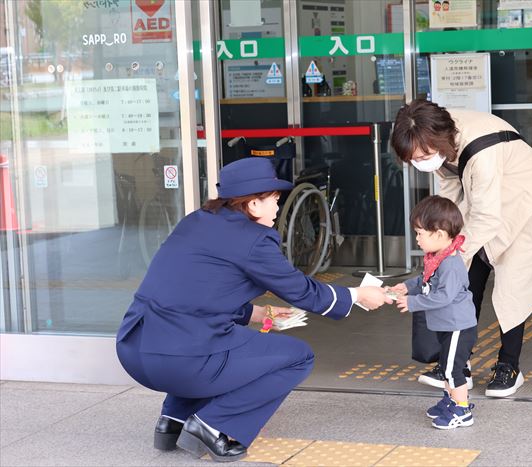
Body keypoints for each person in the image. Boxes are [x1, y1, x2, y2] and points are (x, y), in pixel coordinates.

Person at [116, 157, 391, 462]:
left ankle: (172, 421)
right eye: (274, 200)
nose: (277, 208)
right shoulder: (254, 239)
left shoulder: (196, 221)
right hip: (180, 361)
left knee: (211, 345)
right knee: (297, 358)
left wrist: (256, 314)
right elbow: (301, 290)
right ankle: (211, 425)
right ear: (253, 204)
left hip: (134, 349)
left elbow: (193, 295)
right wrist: (356, 295)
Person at [391, 99, 532, 397]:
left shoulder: (480, 149)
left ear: (436, 140)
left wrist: (451, 252)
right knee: (465, 279)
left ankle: (509, 365)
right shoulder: (437, 138)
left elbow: (487, 218)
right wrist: (444, 241)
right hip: (485, 199)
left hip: (524, 203)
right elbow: (450, 192)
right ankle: (459, 364)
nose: (420, 162)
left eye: (423, 156)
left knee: (513, 287)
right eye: (413, 159)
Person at [389, 195, 477, 430]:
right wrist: (407, 286)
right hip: (447, 325)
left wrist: (413, 302)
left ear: (438, 234)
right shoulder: (437, 258)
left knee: (452, 369)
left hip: (458, 326)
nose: (416, 239)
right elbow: (425, 280)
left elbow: (444, 296)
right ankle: (452, 401)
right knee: (447, 367)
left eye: (420, 233)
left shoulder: (450, 263)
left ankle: (462, 410)